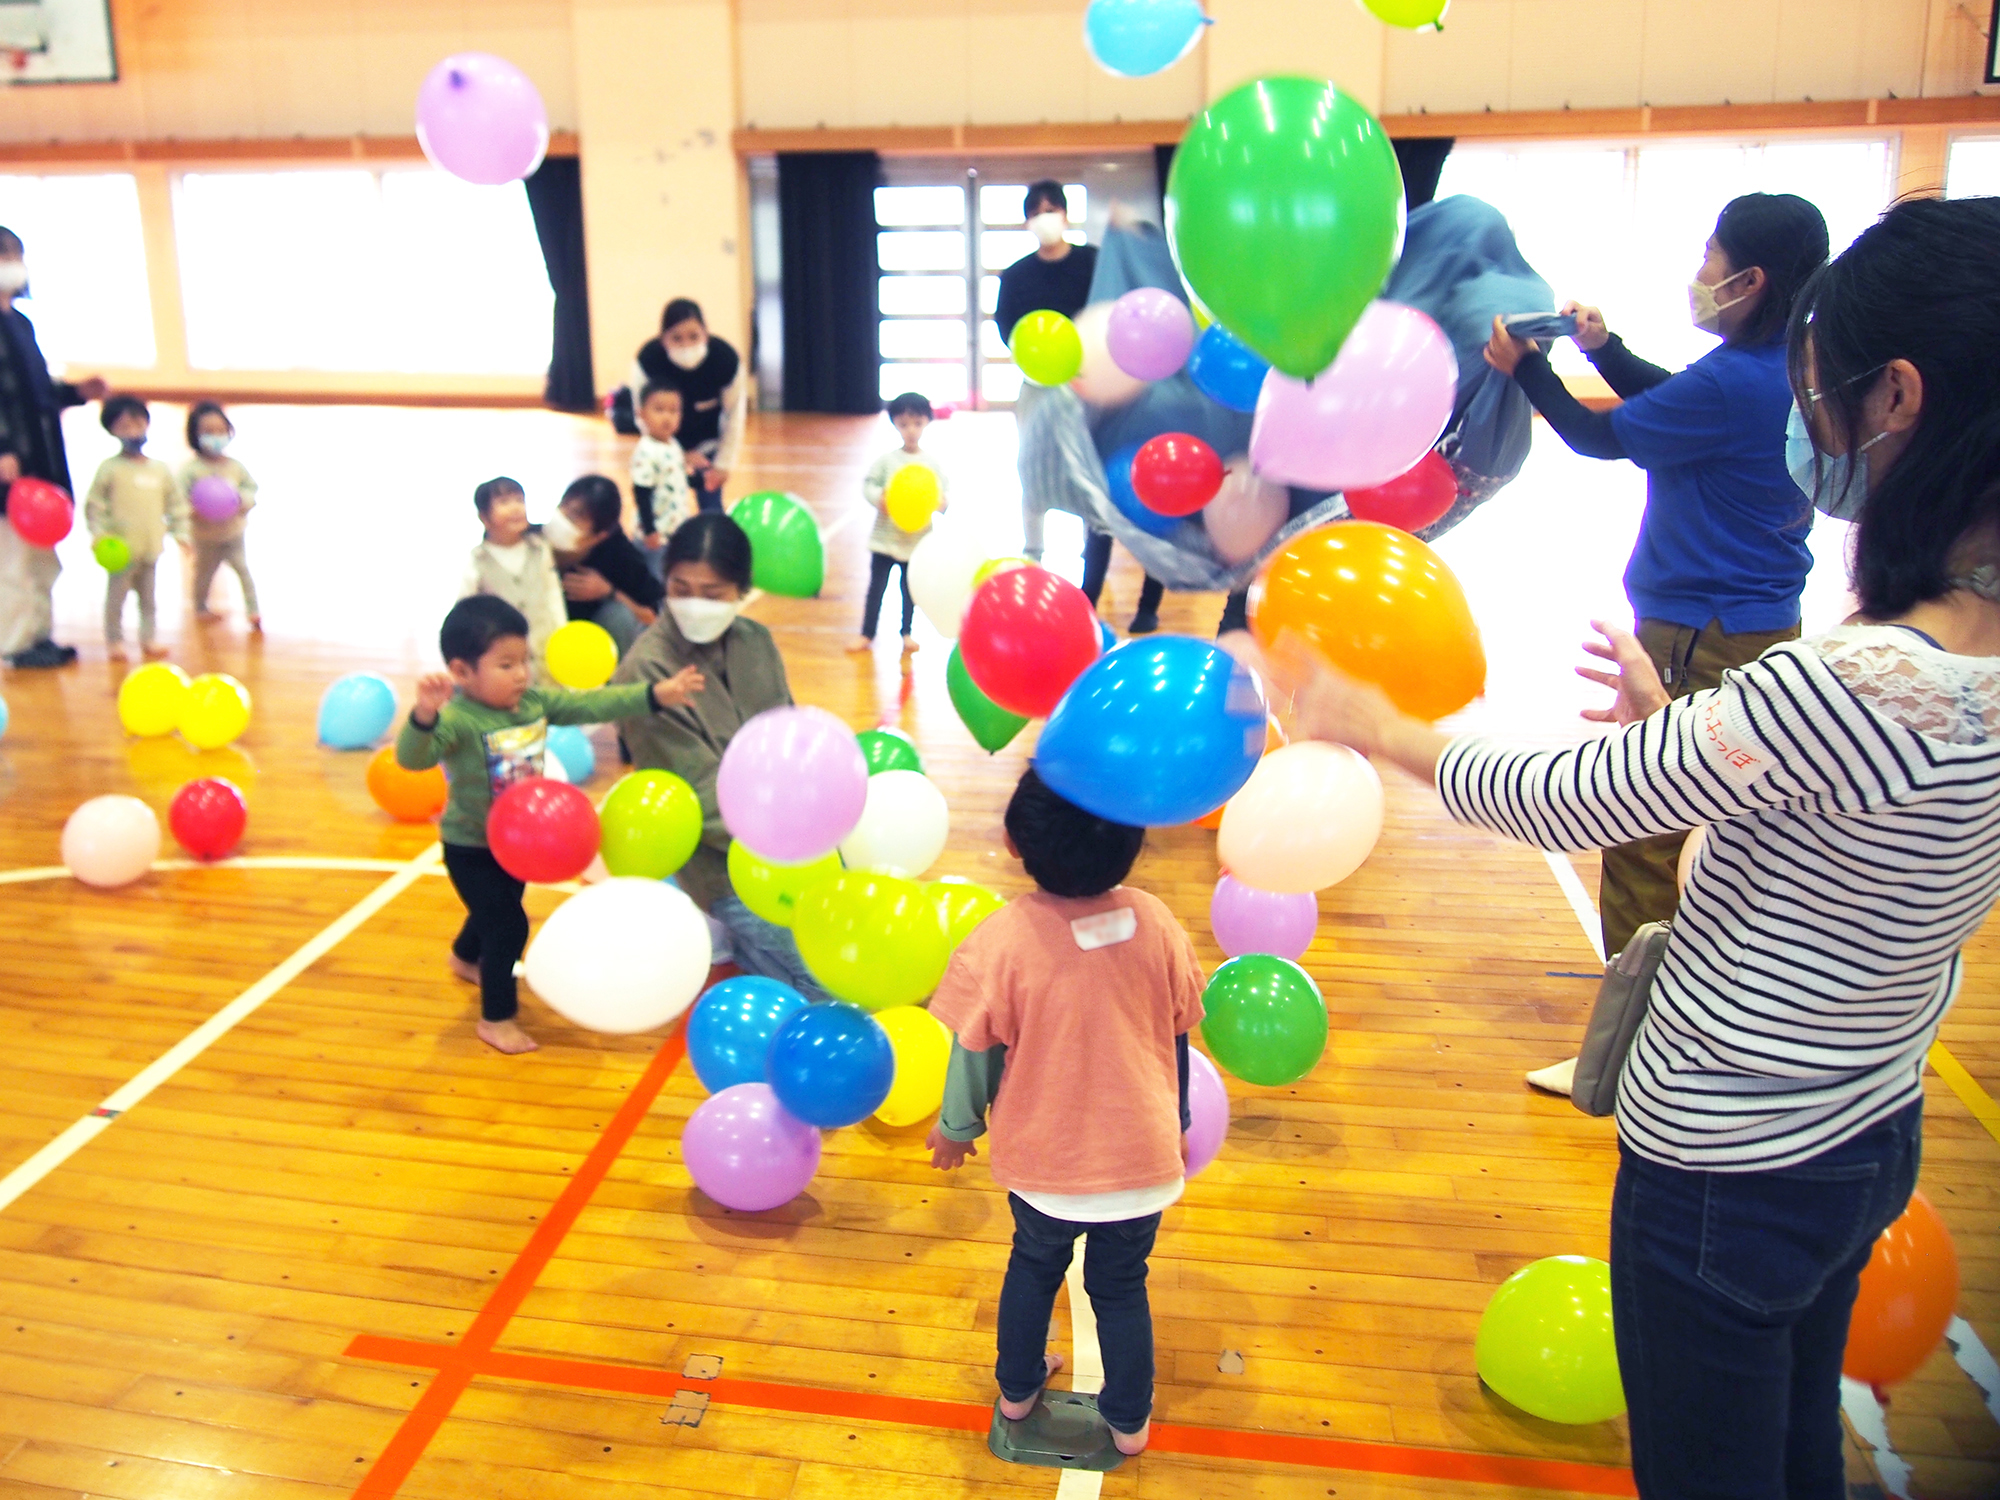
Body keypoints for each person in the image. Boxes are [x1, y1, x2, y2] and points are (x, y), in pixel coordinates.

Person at [1265, 193, 2000, 1500]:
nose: (1803, 419)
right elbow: (1855, 842)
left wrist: (1376, 723)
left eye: (1818, 388)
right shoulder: (1950, 676)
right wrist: (1697, 734)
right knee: (1789, 1451)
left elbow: (1568, 798)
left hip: (1731, 1167)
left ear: (1899, 399)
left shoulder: (1863, 685)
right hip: (1865, 1127)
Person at [1484, 193, 1831, 977]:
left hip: (1693, 635)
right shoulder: (1787, 366)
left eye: (1710, 255)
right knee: (1728, 825)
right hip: (1764, 624)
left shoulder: (1730, 385)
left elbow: (1598, 437)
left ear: (1749, 280)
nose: (1698, 272)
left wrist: (1526, 368)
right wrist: (1604, 349)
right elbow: (1677, 394)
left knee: (1647, 833)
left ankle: (1637, 1030)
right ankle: (1716, 994)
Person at [926, 767, 1203, 1457]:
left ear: (1014, 844)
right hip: (1141, 1165)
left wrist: (957, 1129)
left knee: (1033, 1267)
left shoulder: (1003, 937)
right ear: (1134, 845)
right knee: (1120, 1285)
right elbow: (1178, 1035)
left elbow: (973, 1052)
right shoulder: (1157, 920)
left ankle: (1017, 1391)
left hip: (1045, 1169)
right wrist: (1182, 1120)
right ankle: (1130, 1421)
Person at [395, 595, 703, 1055]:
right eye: (505, 664)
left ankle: (463, 957)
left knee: (496, 910)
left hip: (520, 845)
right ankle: (496, 1019)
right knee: (508, 926)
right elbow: (413, 758)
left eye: (524, 661)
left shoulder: (533, 705)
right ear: (461, 672)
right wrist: (424, 716)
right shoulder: (458, 719)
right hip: (471, 847)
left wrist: (654, 695)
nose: (521, 674)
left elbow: (594, 705)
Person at [611, 514, 829, 1000]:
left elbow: (789, 732)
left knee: (851, 931)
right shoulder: (645, 673)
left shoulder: (756, 641)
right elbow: (699, 798)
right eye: (681, 588)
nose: (695, 605)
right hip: (723, 864)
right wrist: (790, 831)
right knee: (832, 975)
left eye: (713, 595)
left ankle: (747, 947)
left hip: (792, 840)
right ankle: (729, 926)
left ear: (740, 591)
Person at [0, 225, 107, 668]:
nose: (12, 263)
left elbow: (37, 391)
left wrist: (77, 392)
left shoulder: (19, 323)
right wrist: (3, 447)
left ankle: (38, 635)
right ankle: (14, 644)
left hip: (41, 459)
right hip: (11, 465)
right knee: (15, 560)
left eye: (15, 254)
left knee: (42, 559)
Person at [84, 395, 187, 662]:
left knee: (149, 600)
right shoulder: (110, 469)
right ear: (112, 431)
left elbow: (175, 505)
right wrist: (99, 533)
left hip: (150, 549)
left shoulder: (160, 470)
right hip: (120, 552)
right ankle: (115, 641)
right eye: (124, 426)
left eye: (137, 424)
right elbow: (95, 506)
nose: (133, 431)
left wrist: (182, 534)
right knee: (116, 600)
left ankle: (148, 638)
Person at [624, 299, 744, 514]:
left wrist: (723, 464)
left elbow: (734, 415)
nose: (686, 345)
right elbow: (642, 414)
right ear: (663, 340)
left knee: (711, 508)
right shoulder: (648, 361)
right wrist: (678, 453)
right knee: (661, 509)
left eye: (694, 336)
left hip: (708, 447)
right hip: (662, 448)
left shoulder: (726, 360)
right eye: (676, 338)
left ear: (706, 335)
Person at [850, 390, 947, 655]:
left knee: (909, 592)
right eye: (904, 425)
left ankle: (907, 632)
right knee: (876, 591)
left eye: (917, 423)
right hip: (884, 540)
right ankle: (866, 633)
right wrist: (877, 498)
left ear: (927, 422)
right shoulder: (887, 461)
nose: (911, 430)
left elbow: (943, 495)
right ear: (895, 424)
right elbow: (869, 484)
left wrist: (941, 503)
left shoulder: (931, 464)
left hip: (916, 542)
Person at [546, 474, 665, 660]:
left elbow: (651, 617)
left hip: (591, 646)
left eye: (575, 516)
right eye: (563, 506)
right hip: (543, 638)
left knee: (619, 615)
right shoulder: (535, 540)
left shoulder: (621, 556)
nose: (562, 518)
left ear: (599, 536)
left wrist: (609, 592)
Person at [460, 477, 566, 686]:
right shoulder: (478, 560)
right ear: (484, 517)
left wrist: (562, 634)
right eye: (504, 502)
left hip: (545, 646)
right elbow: (465, 607)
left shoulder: (540, 549)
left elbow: (553, 594)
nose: (516, 508)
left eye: (519, 500)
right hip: (503, 653)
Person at [179, 401, 260, 631]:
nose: (215, 436)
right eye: (207, 431)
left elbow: (250, 489)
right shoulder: (191, 470)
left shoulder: (235, 467)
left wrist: (242, 502)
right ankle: (200, 607)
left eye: (220, 430)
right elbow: (178, 499)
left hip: (233, 532)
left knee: (243, 570)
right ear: (195, 436)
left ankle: (253, 611)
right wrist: (191, 512)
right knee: (204, 574)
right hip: (204, 536)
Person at [630, 381, 696, 557]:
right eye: (659, 410)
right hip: (655, 536)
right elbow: (641, 494)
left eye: (674, 411)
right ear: (642, 414)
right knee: (655, 578)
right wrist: (650, 530)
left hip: (674, 530)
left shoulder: (673, 444)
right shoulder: (646, 451)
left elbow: (676, 476)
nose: (667, 417)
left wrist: (699, 481)